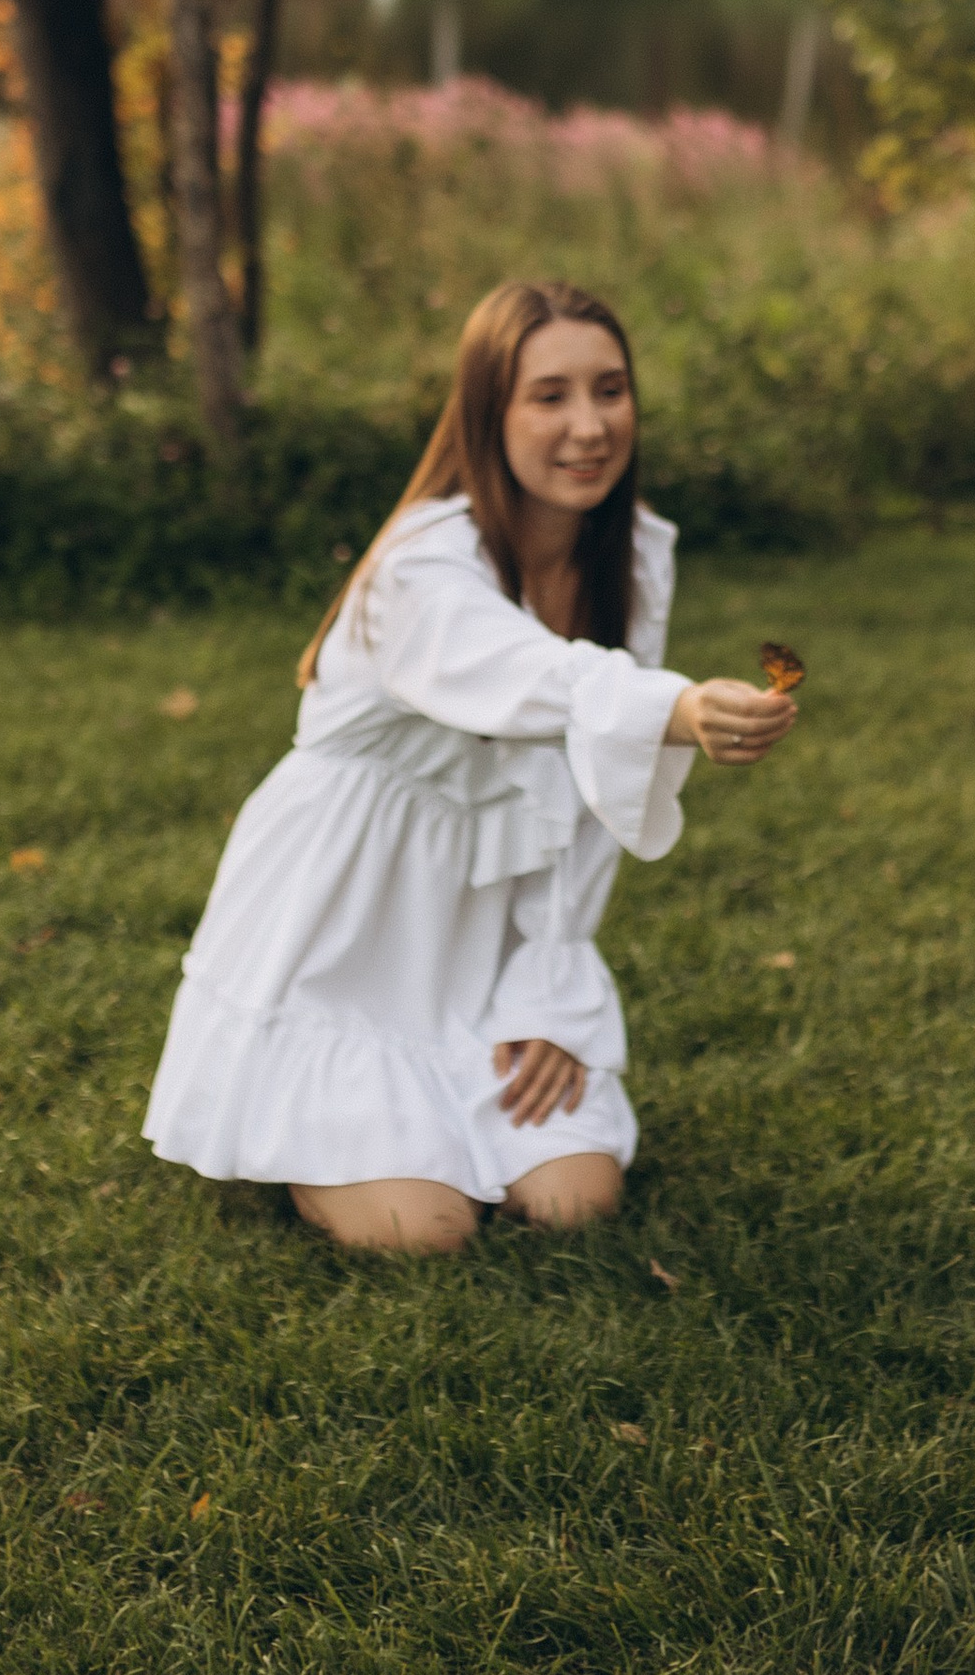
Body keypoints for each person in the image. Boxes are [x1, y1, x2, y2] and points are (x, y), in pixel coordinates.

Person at [144, 278, 796, 1252]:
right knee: (427, 1229)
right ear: (488, 412)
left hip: (482, 945)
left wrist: (548, 995)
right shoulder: (421, 562)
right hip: (343, 927)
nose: (588, 426)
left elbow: (584, 804)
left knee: (575, 1199)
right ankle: (315, 1122)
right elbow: (527, 676)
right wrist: (677, 706)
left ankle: (452, 1088)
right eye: (550, 396)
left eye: (610, 390)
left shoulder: (634, 556)